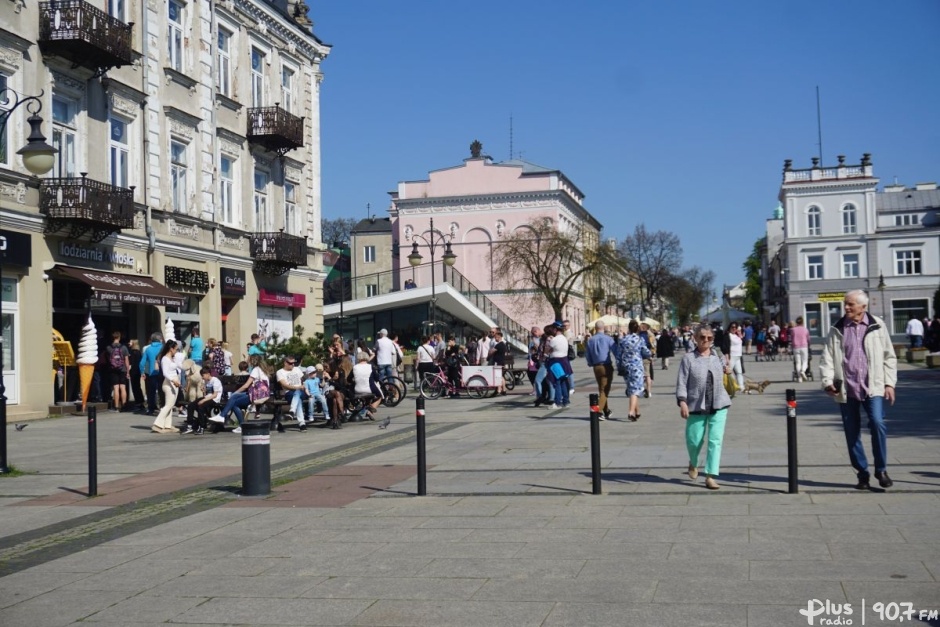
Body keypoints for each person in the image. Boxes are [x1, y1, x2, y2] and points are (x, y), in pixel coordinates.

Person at [820, 289, 898, 490]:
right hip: (847, 389)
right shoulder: (837, 328)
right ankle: (862, 473)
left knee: (878, 423)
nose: (846, 307)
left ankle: (881, 470)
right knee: (851, 432)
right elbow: (827, 358)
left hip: (873, 387)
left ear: (863, 307)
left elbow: (889, 356)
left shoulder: (877, 326)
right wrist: (828, 381)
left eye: (851, 304)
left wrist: (890, 384)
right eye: (845, 304)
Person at [676, 326, 733, 490]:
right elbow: (681, 381)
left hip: (719, 403)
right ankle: (693, 462)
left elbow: (728, 376)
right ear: (695, 338)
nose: (706, 340)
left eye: (709, 337)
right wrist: (682, 401)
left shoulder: (718, 357)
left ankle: (710, 476)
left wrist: (728, 372)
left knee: (715, 441)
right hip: (696, 404)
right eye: (702, 337)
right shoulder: (688, 358)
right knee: (694, 440)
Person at [217, 355, 269, 434]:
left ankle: (240, 425)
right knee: (234, 398)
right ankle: (222, 416)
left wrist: (235, 392)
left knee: (234, 403)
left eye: (250, 360)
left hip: (256, 395)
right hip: (262, 394)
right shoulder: (263, 370)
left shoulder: (255, 370)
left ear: (253, 361)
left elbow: (246, 386)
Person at [617, 320, 651, 421]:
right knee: (635, 390)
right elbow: (646, 351)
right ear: (637, 329)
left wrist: (619, 367)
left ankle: (637, 412)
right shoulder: (639, 339)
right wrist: (650, 354)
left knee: (632, 388)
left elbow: (618, 355)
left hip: (626, 367)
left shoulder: (623, 340)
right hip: (637, 367)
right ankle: (631, 412)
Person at [585, 321, 617, 420]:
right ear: (604, 327)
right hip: (606, 366)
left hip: (596, 367)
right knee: (605, 390)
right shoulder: (608, 339)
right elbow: (616, 351)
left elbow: (588, 354)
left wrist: (591, 363)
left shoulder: (591, 340)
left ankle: (606, 411)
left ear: (595, 328)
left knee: (601, 389)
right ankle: (598, 412)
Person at [151, 340, 180, 434]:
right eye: (176, 349)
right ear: (171, 349)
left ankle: (167, 425)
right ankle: (157, 424)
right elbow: (165, 373)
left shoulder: (172, 358)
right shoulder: (165, 359)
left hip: (174, 383)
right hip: (169, 384)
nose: (176, 350)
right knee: (168, 405)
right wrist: (173, 380)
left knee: (170, 405)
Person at [183, 367, 222, 435]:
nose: (202, 377)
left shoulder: (215, 381)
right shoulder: (207, 381)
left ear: (208, 374)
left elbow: (214, 395)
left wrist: (203, 400)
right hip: (208, 397)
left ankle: (202, 427)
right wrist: (204, 391)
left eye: (203, 375)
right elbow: (207, 394)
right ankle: (189, 425)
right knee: (191, 405)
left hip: (214, 399)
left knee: (201, 406)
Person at [276, 356, 307, 431]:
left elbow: (304, 379)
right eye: (290, 363)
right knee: (298, 398)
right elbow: (284, 385)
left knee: (298, 393)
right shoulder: (280, 372)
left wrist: (304, 386)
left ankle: (292, 412)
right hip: (289, 392)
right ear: (285, 363)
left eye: (294, 363)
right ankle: (302, 423)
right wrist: (297, 388)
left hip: (301, 392)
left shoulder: (296, 369)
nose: (293, 365)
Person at [139, 332, 164, 415]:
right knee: (162, 390)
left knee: (151, 392)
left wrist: (142, 372)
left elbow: (142, 363)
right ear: (160, 339)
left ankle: (151, 408)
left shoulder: (148, 349)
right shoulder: (163, 348)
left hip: (151, 373)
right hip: (162, 373)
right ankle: (163, 407)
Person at [351, 354, 382, 420]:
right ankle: (370, 410)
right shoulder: (370, 366)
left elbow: (349, 378)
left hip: (357, 389)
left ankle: (368, 407)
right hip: (369, 388)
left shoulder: (355, 367)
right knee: (380, 396)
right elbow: (377, 378)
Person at [106, 331, 130, 412]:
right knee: (123, 387)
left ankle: (116, 407)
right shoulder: (124, 347)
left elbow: (108, 360)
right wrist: (128, 371)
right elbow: (126, 360)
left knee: (115, 388)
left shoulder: (109, 348)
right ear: (119, 337)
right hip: (122, 369)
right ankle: (124, 406)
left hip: (113, 369)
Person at [722, 322, 744, 391]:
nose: (734, 328)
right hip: (731, 356)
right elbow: (724, 346)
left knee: (739, 372)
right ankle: (731, 386)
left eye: (735, 327)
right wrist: (727, 357)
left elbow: (741, 340)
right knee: (729, 372)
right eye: (732, 327)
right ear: (729, 327)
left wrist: (739, 332)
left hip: (738, 356)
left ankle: (741, 386)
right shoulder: (728, 335)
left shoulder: (737, 335)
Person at [790, 316, 811, 382]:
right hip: (804, 346)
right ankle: (803, 371)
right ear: (802, 322)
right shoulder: (805, 329)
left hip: (795, 347)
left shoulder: (793, 330)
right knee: (805, 361)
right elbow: (808, 339)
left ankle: (799, 378)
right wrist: (809, 344)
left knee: (798, 362)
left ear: (796, 322)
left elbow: (791, 338)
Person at [128, 338, 144, 412]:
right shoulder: (138, 352)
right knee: (138, 386)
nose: (129, 343)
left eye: (130, 342)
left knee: (135, 387)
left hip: (133, 371)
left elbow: (131, 363)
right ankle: (141, 402)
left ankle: (138, 402)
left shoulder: (132, 352)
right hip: (138, 371)